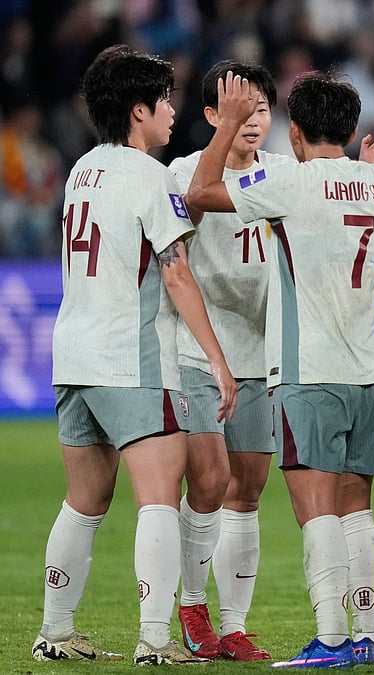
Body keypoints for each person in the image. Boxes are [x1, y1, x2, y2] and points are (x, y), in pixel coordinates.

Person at [186, 64, 374, 668]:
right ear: (352, 131)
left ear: (294, 132)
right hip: (373, 372)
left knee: (315, 508)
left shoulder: (291, 185)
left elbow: (200, 194)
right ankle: (366, 637)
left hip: (308, 373)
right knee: (357, 506)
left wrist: (225, 126)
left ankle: (329, 639)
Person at [33, 44, 236, 666]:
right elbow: (175, 274)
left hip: (74, 356)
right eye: (165, 100)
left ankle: (55, 632)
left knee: (85, 500)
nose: (173, 111)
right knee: (156, 496)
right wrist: (217, 360)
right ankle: (154, 639)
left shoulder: (80, 171)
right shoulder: (150, 176)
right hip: (133, 359)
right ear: (139, 109)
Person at [168, 59, 285, 663]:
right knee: (209, 481)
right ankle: (192, 603)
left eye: (261, 107)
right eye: (239, 108)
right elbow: (187, 220)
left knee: (249, 489)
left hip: (259, 356)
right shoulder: (184, 171)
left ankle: (233, 625)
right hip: (194, 349)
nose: (252, 118)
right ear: (213, 115)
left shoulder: (283, 175)